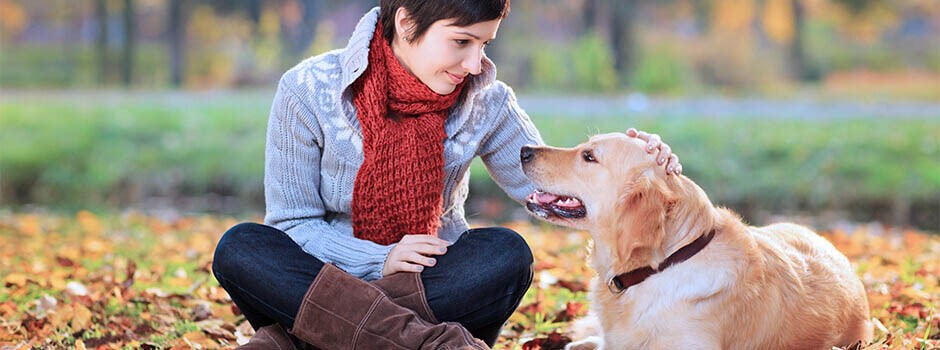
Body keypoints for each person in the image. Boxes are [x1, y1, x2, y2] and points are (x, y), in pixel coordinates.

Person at [211, 0, 683, 349]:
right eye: (461, 41)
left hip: (430, 282)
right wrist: (379, 260)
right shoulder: (309, 91)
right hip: (322, 275)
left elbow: (551, 185)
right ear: (406, 22)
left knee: (505, 254)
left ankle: (306, 342)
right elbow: (293, 225)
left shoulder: (487, 102)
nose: (476, 64)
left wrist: (640, 168)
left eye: (484, 44)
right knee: (243, 249)